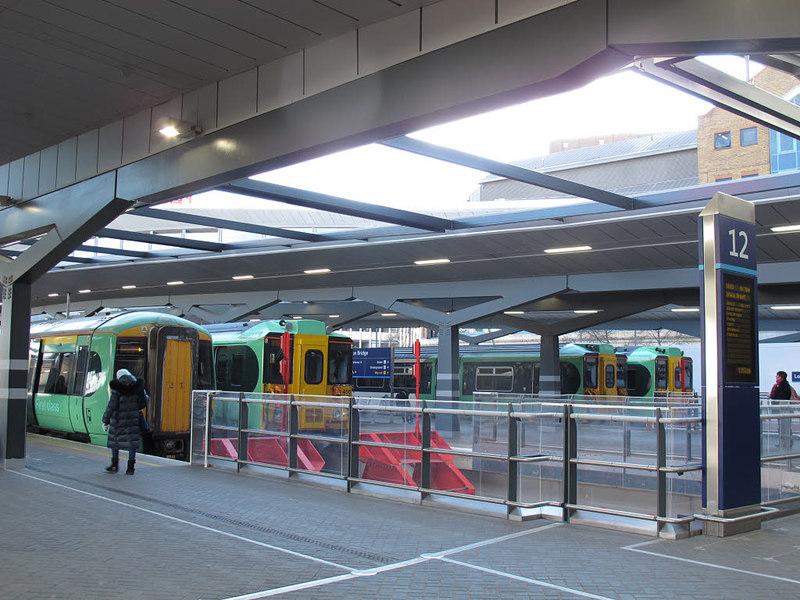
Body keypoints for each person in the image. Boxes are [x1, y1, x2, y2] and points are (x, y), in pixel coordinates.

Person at [102, 368, 149, 475]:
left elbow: (112, 405)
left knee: (115, 442)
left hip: (118, 419)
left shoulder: (117, 388)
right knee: (132, 444)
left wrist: (106, 420)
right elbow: (145, 400)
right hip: (133, 419)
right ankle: (130, 468)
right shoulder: (138, 386)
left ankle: (114, 465)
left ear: (119, 377)